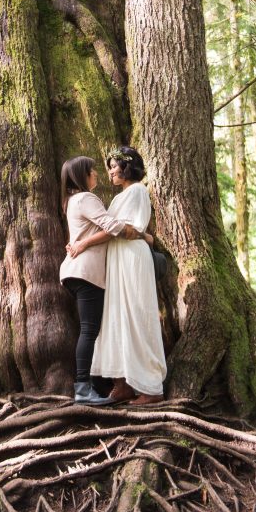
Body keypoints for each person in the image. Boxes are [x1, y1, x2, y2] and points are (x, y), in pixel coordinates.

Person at [69, 146, 166, 406]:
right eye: (109, 166)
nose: (111, 170)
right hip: (116, 260)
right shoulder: (117, 198)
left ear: (128, 167)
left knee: (136, 315)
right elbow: (119, 228)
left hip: (132, 260)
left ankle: (150, 387)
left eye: (115, 166)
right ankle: (122, 383)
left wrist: (85, 243)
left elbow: (124, 229)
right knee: (116, 319)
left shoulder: (137, 190)